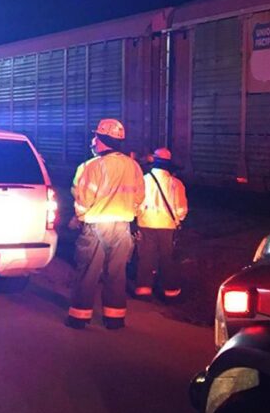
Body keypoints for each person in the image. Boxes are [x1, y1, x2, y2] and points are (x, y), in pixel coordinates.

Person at [67, 118, 145, 330]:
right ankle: (114, 318)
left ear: (101, 140)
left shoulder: (90, 166)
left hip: (96, 226)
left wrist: (80, 219)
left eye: (95, 137)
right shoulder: (133, 166)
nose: (92, 141)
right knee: (117, 273)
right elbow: (139, 197)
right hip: (122, 227)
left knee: (88, 271)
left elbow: (82, 199)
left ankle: (79, 316)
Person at [134, 148, 189, 301]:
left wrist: (139, 216)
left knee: (145, 256)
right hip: (167, 226)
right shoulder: (176, 184)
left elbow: (136, 203)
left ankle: (143, 288)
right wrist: (178, 219)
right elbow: (181, 209)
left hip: (146, 223)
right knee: (167, 257)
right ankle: (170, 290)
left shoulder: (143, 180)